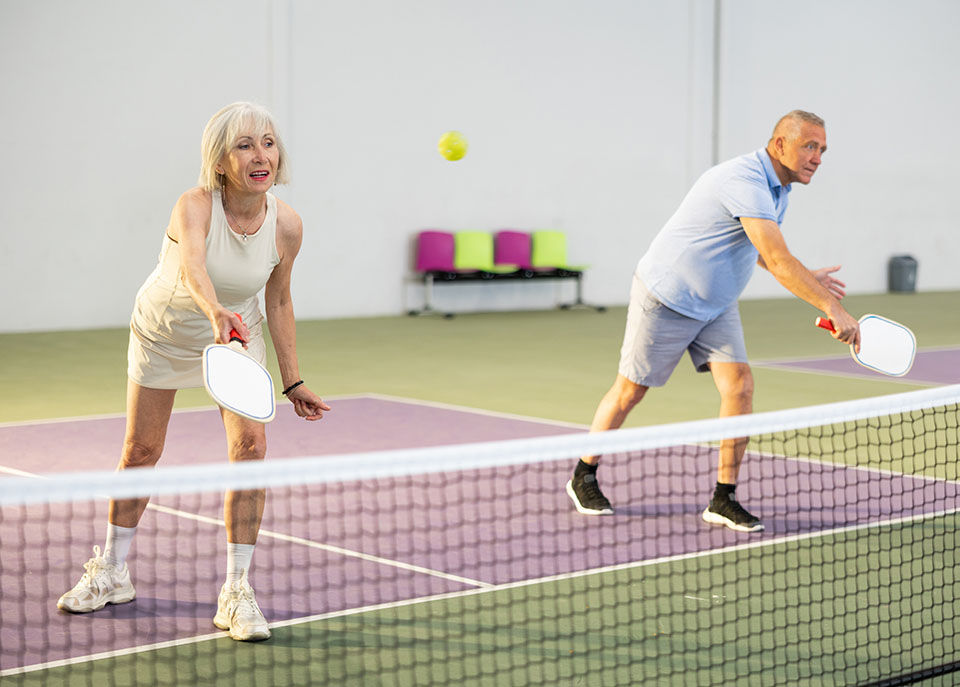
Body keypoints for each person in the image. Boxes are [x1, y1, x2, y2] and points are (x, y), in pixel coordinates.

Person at [57, 102, 330, 641]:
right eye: (245, 145)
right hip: (168, 328)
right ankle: (111, 570)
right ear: (221, 159)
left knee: (251, 449)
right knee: (141, 450)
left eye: (269, 142)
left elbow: (278, 301)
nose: (261, 155)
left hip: (237, 332)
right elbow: (194, 267)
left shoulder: (288, 225)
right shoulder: (196, 204)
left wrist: (292, 379)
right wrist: (213, 314)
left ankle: (237, 590)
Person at [566, 110, 859, 532]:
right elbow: (778, 259)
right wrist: (831, 307)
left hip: (716, 304)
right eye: (809, 146)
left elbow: (757, 244)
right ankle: (584, 473)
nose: (817, 157)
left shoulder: (779, 190)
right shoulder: (744, 180)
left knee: (739, 386)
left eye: (822, 150)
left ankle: (724, 497)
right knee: (629, 392)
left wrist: (806, 276)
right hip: (666, 297)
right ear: (780, 145)